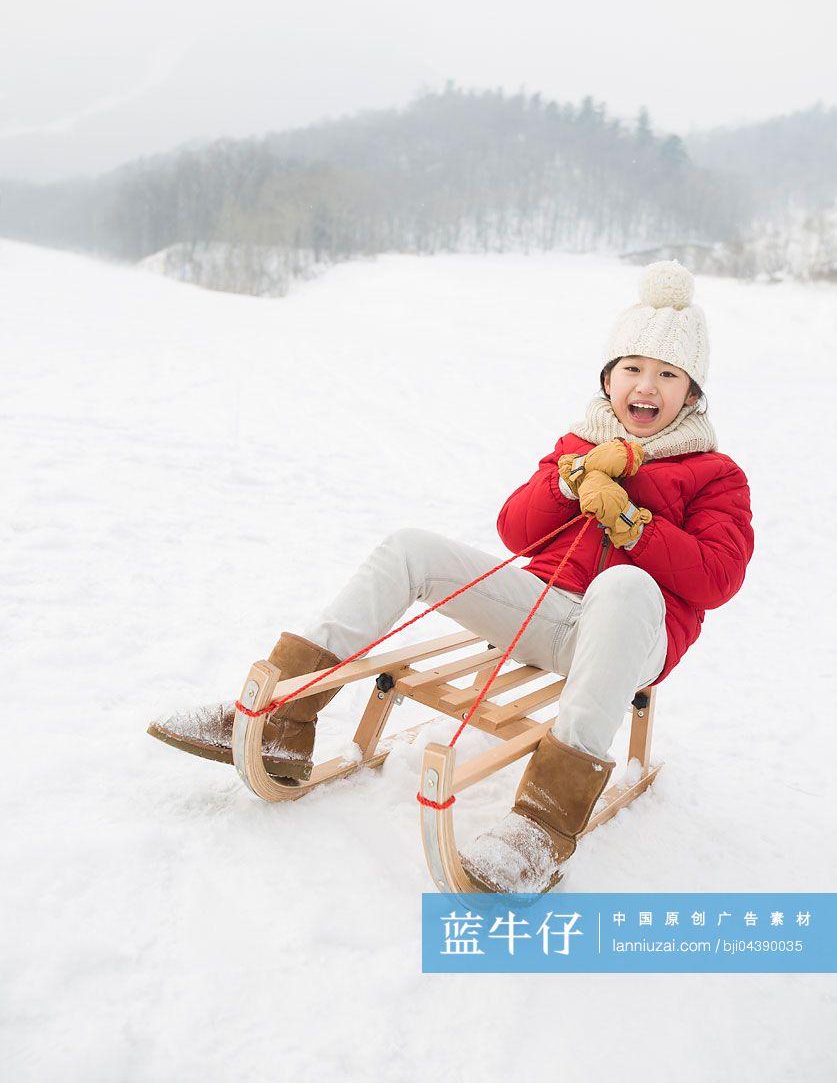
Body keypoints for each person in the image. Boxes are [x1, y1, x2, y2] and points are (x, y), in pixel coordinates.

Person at [149, 260, 754, 894]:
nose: (647, 386)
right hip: (543, 614)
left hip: (630, 640)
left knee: (626, 586)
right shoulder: (579, 443)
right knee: (411, 546)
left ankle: (543, 823)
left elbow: (717, 578)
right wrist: (567, 481)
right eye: (632, 368)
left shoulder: (715, 473)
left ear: (691, 392)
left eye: (667, 374)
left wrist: (635, 524)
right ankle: (282, 717)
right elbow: (515, 531)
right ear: (609, 380)